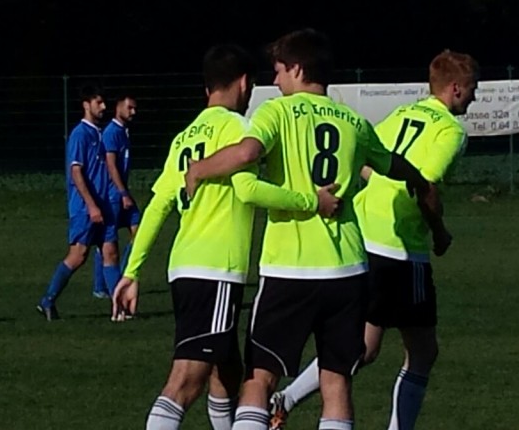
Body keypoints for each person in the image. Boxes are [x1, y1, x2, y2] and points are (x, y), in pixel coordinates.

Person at [184, 29, 443, 430]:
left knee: (259, 379)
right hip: (346, 270)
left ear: (298, 69)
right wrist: (420, 183)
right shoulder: (354, 121)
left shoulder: (276, 112)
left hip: (289, 268)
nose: (275, 81)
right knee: (336, 383)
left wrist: (199, 169)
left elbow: (248, 152)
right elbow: (394, 164)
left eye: (279, 70)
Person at [112, 43, 342, 430]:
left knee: (228, 371)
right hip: (216, 268)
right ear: (245, 83)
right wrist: (310, 201)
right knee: (185, 381)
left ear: (207, 88)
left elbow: (157, 207)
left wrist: (132, 271)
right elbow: (249, 190)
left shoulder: (184, 138)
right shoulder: (239, 129)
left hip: (183, 267)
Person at [268, 50, 478, 430]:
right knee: (421, 351)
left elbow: (365, 160)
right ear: (457, 89)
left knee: (363, 346)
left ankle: (286, 397)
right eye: (473, 89)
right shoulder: (450, 130)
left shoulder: (402, 114)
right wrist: (439, 231)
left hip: (364, 235)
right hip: (401, 248)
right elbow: (425, 185)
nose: (475, 98)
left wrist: (373, 192)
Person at [36, 84, 120, 320]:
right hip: (85, 208)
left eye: (104, 102)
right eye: (98, 102)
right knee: (78, 255)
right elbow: (76, 172)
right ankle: (47, 300)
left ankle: (119, 308)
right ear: (86, 105)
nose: (103, 107)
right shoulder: (80, 135)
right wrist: (91, 205)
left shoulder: (100, 134)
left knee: (110, 252)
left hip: (104, 205)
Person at [92, 94, 141, 299]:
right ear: (118, 107)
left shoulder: (123, 131)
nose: (133, 112)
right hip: (113, 195)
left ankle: (115, 278)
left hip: (121, 193)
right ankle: (104, 285)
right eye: (129, 108)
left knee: (139, 232)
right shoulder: (112, 132)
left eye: (134, 108)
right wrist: (123, 193)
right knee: (108, 240)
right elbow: (111, 165)